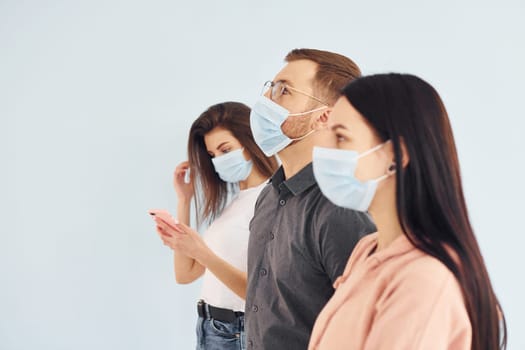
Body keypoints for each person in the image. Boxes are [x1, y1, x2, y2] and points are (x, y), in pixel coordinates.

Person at [308, 73, 507, 350]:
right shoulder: (368, 250)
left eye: (341, 137)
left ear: (396, 154)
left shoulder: (423, 280)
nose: (323, 150)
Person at [245, 48, 376, 349]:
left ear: (325, 117)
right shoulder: (268, 195)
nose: (266, 100)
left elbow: (368, 327)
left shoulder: (341, 209)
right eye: (270, 87)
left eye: (283, 91)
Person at [153, 102, 278, 350]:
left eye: (225, 149)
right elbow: (185, 274)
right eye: (212, 155)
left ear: (251, 142)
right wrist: (184, 201)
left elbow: (260, 294)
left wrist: (201, 251)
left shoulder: (271, 198)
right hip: (211, 327)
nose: (218, 160)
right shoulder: (235, 203)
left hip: (238, 332)